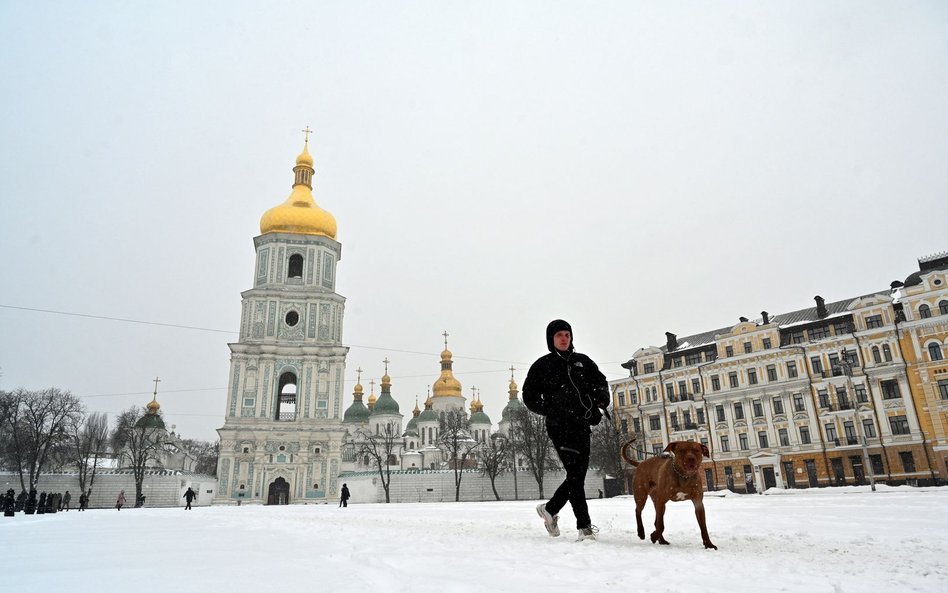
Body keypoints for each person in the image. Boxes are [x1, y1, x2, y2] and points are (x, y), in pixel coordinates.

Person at [523, 319, 610, 541]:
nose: (564, 338)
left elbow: (600, 382)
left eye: (567, 335)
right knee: (575, 474)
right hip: (559, 426)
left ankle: (551, 509)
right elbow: (529, 396)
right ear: (551, 339)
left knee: (576, 475)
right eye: (559, 335)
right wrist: (551, 410)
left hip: (581, 424)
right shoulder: (542, 365)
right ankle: (585, 527)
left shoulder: (582, 362)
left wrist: (601, 397)